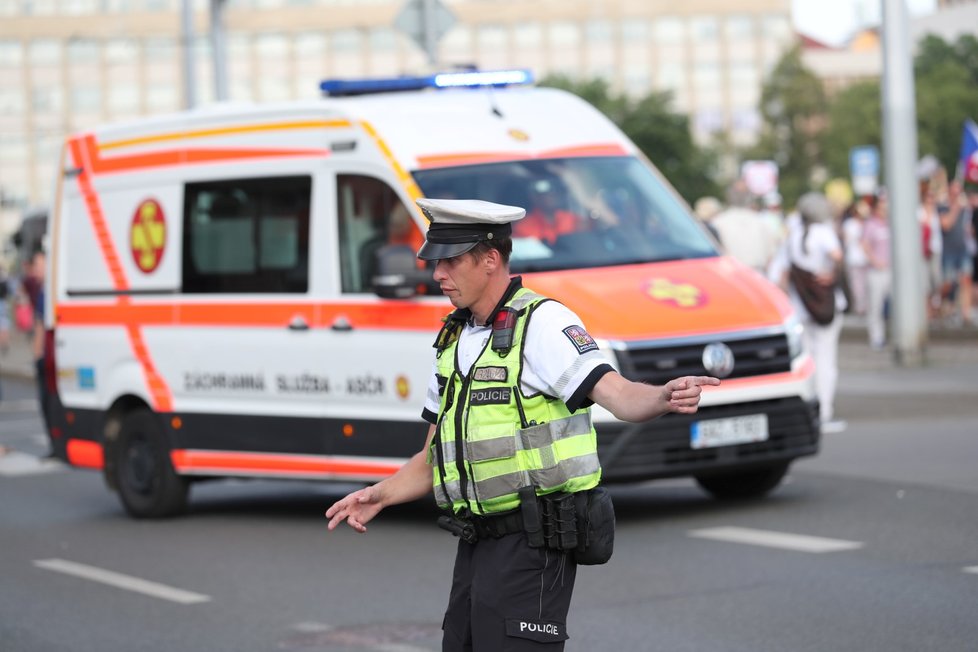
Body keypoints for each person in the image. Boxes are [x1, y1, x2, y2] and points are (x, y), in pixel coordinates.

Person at [325, 198, 720, 651]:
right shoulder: (453, 339)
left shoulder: (544, 324)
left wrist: (662, 397)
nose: (437, 274)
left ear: (490, 259)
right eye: (436, 262)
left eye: (450, 261)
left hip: (534, 542)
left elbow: (618, 394)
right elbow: (436, 456)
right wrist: (382, 493)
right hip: (477, 542)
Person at [771, 192, 847, 435]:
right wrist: (831, 274)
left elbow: (780, 274)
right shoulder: (823, 233)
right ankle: (824, 411)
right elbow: (838, 257)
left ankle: (808, 411)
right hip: (824, 307)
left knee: (807, 360)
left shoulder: (792, 236)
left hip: (800, 306)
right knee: (826, 358)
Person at [939, 181, 974, 327]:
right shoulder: (943, 207)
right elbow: (946, 225)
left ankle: (965, 314)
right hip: (948, 251)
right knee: (948, 283)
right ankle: (943, 305)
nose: (957, 195)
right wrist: (956, 209)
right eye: (954, 192)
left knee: (966, 280)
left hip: (963, 250)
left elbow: (969, 227)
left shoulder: (966, 209)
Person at [512, 179, 585, 245]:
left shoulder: (574, 220)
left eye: (555, 193)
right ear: (535, 198)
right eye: (547, 194)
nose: (553, 196)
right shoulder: (522, 227)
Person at [861, 193, 891, 350]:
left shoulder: (891, 223)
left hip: (891, 270)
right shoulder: (870, 225)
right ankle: (876, 337)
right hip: (876, 270)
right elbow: (865, 245)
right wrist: (875, 261)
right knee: (875, 306)